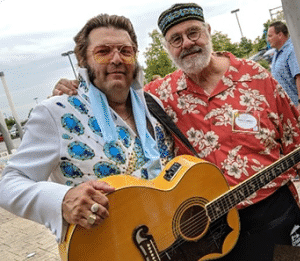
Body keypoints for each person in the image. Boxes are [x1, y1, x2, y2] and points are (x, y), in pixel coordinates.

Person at [54, 3, 300, 261]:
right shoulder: (158, 95)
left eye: (193, 32)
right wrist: (75, 90)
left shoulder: (255, 77)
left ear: (208, 31)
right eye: (176, 39)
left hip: (274, 209)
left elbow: (297, 140)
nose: (186, 43)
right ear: (167, 47)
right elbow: (111, 91)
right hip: (207, 229)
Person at [0, 14, 173, 246]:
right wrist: (61, 200)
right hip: (104, 255)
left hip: (168, 241)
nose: (117, 59)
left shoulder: (154, 105)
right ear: (83, 60)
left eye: (125, 50)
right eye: (103, 52)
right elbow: (10, 182)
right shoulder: (57, 111)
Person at [267, 21, 300, 132]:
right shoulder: (277, 53)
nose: (268, 39)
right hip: (291, 110)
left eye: (270, 36)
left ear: (280, 35)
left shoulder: (291, 50)